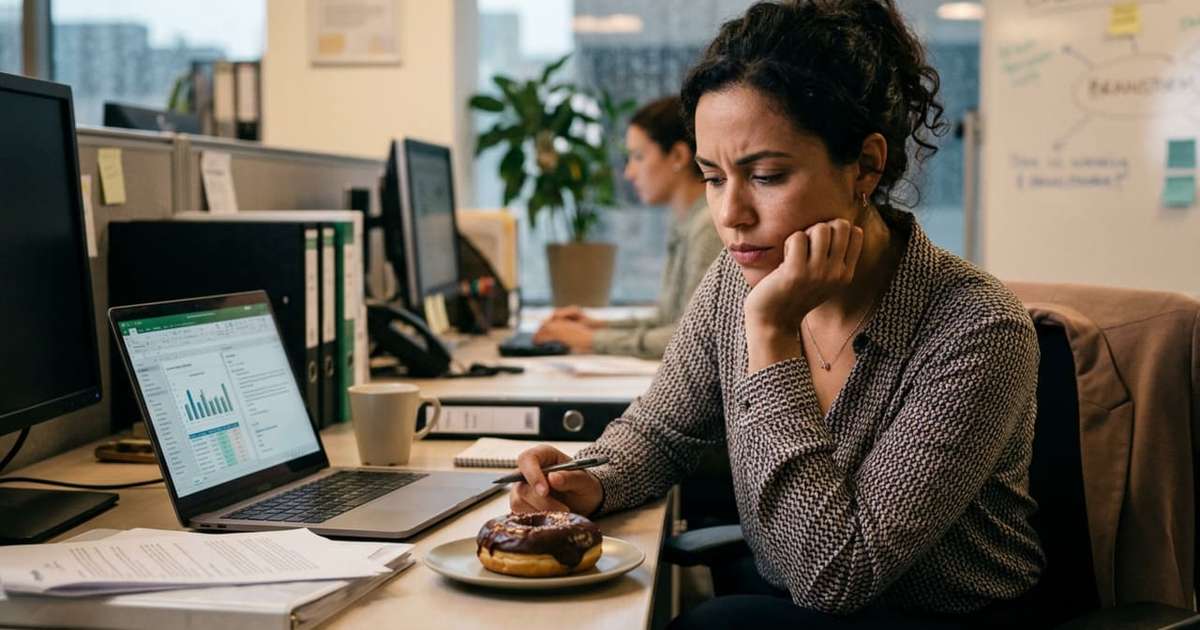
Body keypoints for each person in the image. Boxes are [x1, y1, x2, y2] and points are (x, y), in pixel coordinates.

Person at [510, 1, 1045, 627]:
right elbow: (661, 432)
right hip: (790, 597)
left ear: (865, 167)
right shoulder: (732, 284)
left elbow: (838, 572)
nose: (731, 214)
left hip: (937, 615)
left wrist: (770, 336)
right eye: (713, 178)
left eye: (765, 175)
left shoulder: (976, 327)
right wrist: (590, 480)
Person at [533, 96, 723, 359]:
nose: (629, 173)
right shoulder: (686, 222)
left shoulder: (708, 227)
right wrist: (598, 325)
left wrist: (591, 339)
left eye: (638, 156)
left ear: (678, 155)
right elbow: (670, 318)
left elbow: (692, 341)